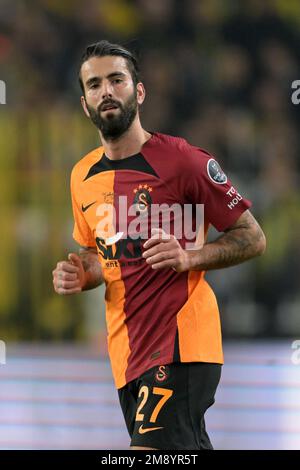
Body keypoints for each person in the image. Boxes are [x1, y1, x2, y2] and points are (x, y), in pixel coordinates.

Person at [52, 40, 266, 450]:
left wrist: (191, 257)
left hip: (181, 344)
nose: (107, 91)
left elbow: (252, 238)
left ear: (139, 91)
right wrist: (83, 272)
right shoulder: (82, 176)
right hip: (127, 355)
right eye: (94, 84)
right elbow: (98, 256)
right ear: (85, 103)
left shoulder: (185, 161)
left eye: (117, 80)